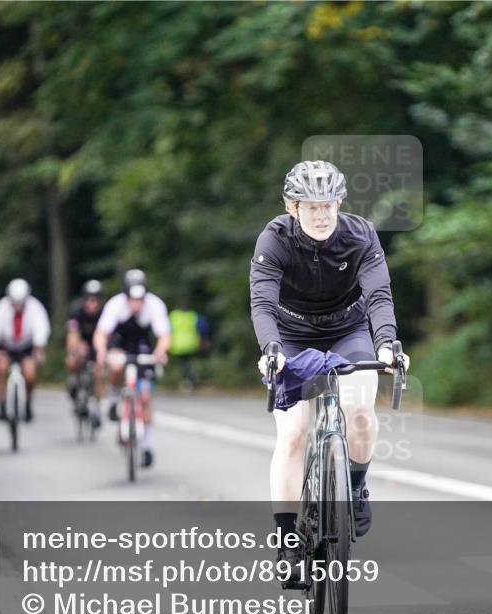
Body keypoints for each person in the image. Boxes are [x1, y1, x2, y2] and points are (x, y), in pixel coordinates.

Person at [249, 160, 410, 583]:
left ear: (339, 203)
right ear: (293, 207)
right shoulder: (275, 239)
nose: (320, 215)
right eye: (310, 206)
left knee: (359, 413)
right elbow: (262, 302)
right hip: (291, 336)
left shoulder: (360, 235)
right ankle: (286, 543)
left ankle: (355, 488)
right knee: (293, 434)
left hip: (348, 330)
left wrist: (387, 344)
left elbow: (378, 295)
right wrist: (271, 350)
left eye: (327, 205)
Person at [92, 269, 171, 468]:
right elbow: (101, 333)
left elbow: (163, 335)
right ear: (125, 295)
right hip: (120, 344)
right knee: (116, 365)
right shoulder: (115, 305)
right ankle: (112, 399)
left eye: (140, 299)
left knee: (144, 396)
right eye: (132, 299)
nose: (136, 304)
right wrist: (102, 351)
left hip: (143, 346)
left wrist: (160, 352)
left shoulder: (154, 305)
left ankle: (146, 445)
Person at [0, 278, 50, 422]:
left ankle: (27, 402)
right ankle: (2, 403)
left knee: (30, 374)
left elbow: (41, 327)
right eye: (15, 302)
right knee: (1, 368)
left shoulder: (35, 307)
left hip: (26, 347)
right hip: (6, 347)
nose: (18, 305)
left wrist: (39, 348)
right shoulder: (1, 308)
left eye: (21, 302)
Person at [66, 279, 106, 427]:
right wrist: (74, 349)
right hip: (82, 341)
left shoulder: (105, 312)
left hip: (98, 344)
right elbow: (72, 332)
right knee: (74, 357)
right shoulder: (76, 310)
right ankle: (74, 381)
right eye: (88, 299)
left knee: (99, 373)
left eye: (95, 300)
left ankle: (97, 408)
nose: (91, 303)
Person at [168, 303, 211, 391]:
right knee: (188, 364)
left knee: (183, 365)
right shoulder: (192, 316)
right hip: (191, 344)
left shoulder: (173, 316)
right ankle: (190, 380)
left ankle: (188, 380)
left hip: (177, 345)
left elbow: (165, 329)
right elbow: (203, 327)